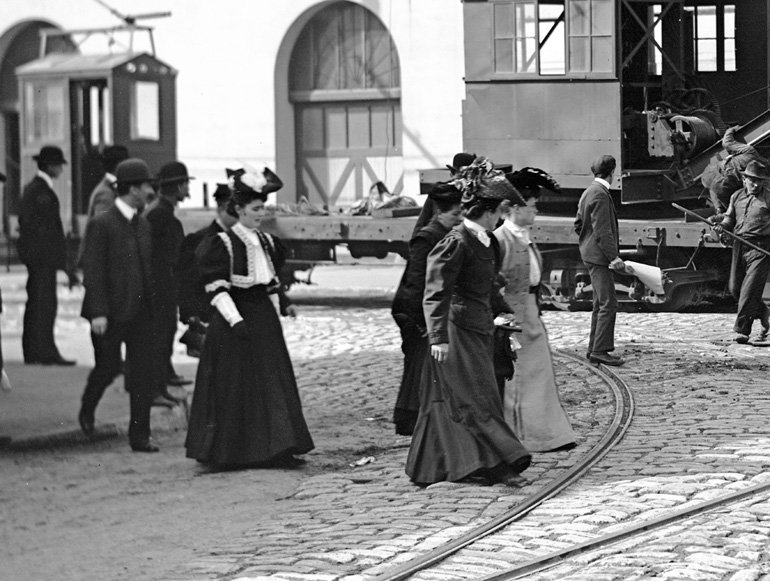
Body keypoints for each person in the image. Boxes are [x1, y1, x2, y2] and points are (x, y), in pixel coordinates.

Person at [405, 157, 531, 487]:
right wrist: (437, 339)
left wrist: (503, 312)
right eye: (499, 212)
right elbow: (435, 291)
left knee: (457, 401)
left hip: (479, 329)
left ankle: (443, 465)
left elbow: (486, 285)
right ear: (488, 211)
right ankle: (502, 462)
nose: (501, 218)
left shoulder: (486, 241)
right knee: (477, 399)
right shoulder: (456, 242)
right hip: (455, 332)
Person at [185, 166, 314, 467]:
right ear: (239, 209)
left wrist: (283, 305)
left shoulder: (266, 242)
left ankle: (277, 448)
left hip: (263, 320)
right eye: (255, 209)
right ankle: (233, 453)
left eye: (263, 208)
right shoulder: (222, 244)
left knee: (271, 381)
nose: (260, 214)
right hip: (234, 322)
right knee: (236, 385)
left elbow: (269, 283)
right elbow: (217, 290)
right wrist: (235, 320)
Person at [78, 158, 160, 452]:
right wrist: (98, 312)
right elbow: (94, 271)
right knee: (108, 367)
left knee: (142, 375)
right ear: (134, 189)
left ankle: (140, 436)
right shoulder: (103, 223)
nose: (150, 191)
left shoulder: (143, 224)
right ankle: (87, 409)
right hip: (111, 314)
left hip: (140, 313)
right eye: (146, 186)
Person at [495, 168, 576, 452]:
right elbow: (495, 286)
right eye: (532, 205)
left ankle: (547, 435)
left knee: (540, 377)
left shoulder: (524, 236)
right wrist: (505, 324)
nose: (536, 210)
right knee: (517, 381)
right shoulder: (501, 239)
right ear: (515, 207)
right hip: (513, 317)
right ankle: (520, 437)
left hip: (531, 313)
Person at [391, 182, 463, 436]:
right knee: (419, 366)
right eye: (454, 214)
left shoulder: (447, 233)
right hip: (418, 311)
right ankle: (410, 417)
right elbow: (416, 281)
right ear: (439, 213)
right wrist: (422, 321)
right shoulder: (427, 236)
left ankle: (425, 415)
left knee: (426, 366)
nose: (459, 218)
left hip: (431, 310)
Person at [17, 145, 77, 365]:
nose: (61, 170)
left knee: (38, 305)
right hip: (43, 261)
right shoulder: (41, 191)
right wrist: (59, 262)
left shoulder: (34, 188)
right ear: (50, 166)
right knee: (44, 306)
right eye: (59, 165)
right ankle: (44, 352)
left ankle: (35, 352)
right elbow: (45, 231)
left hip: (39, 260)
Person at [146, 161, 194, 401]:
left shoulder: (161, 212)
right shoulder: (160, 215)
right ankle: (156, 389)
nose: (188, 189)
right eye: (186, 184)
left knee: (166, 331)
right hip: (160, 286)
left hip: (162, 285)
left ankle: (163, 379)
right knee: (161, 334)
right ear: (178, 186)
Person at [711, 160, 770, 343]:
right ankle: (764, 312)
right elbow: (730, 219)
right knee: (735, 288)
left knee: (750, 289)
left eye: (759, 180)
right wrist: (722, 227)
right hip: (739, 245)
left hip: (760, 247)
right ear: (744, 179)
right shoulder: (736, 196)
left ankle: (742, 330)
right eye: (751, 180)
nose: (755, 184)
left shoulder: (768, 197)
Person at [574, 155, 626, 366]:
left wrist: (587, 242)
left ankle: (593, 347)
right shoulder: (601, 195)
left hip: (591, 255)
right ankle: (600, 350)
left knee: (599, 303)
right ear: (612, 171)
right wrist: (613, 256)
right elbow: (603, 231)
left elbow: (579, 224)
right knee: (608, 303)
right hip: (600, 258)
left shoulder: (589, 192)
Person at [177, 183, 238, 356]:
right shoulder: (199, 240)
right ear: (220, 208)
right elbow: (188, 281)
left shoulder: (241, 239)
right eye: (231, 209)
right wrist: (191, 315)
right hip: (210, 316)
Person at [702, 126, 769, 213]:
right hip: (723, 187)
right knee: (735, 214)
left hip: (709, 175)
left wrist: (731, 129)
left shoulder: (750, 151)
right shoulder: (764, 175)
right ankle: (720, 211)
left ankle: (719, 210)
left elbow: (727, 143)